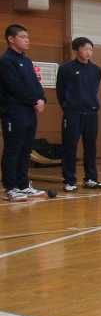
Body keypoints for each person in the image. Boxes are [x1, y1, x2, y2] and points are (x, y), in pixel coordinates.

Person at [0, 24, 47, 200]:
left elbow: (35, 84)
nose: (27, 40)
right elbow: (15, 87)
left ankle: (23, 184)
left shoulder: (26, 61)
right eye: (23, 37)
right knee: (14, 149)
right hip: (13, 111)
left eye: (27, 37)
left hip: (29, 111)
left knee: (26, 149)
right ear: (11, 39)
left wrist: (42, 98)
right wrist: (32, 101)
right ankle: (10, 188)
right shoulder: (5, 61)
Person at [56, 37, 101, 192]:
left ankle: (91, 178)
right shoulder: (66, 69)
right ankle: (69, 180)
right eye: (85, 49)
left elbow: (94, 89)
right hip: (72, 113)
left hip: (91, 112)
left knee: (91, 146)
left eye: (90, 49)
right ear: (76, 50)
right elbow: (61, 92)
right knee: (70, 147)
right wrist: (68, 107)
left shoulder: (96, 70)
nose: (88, 52)